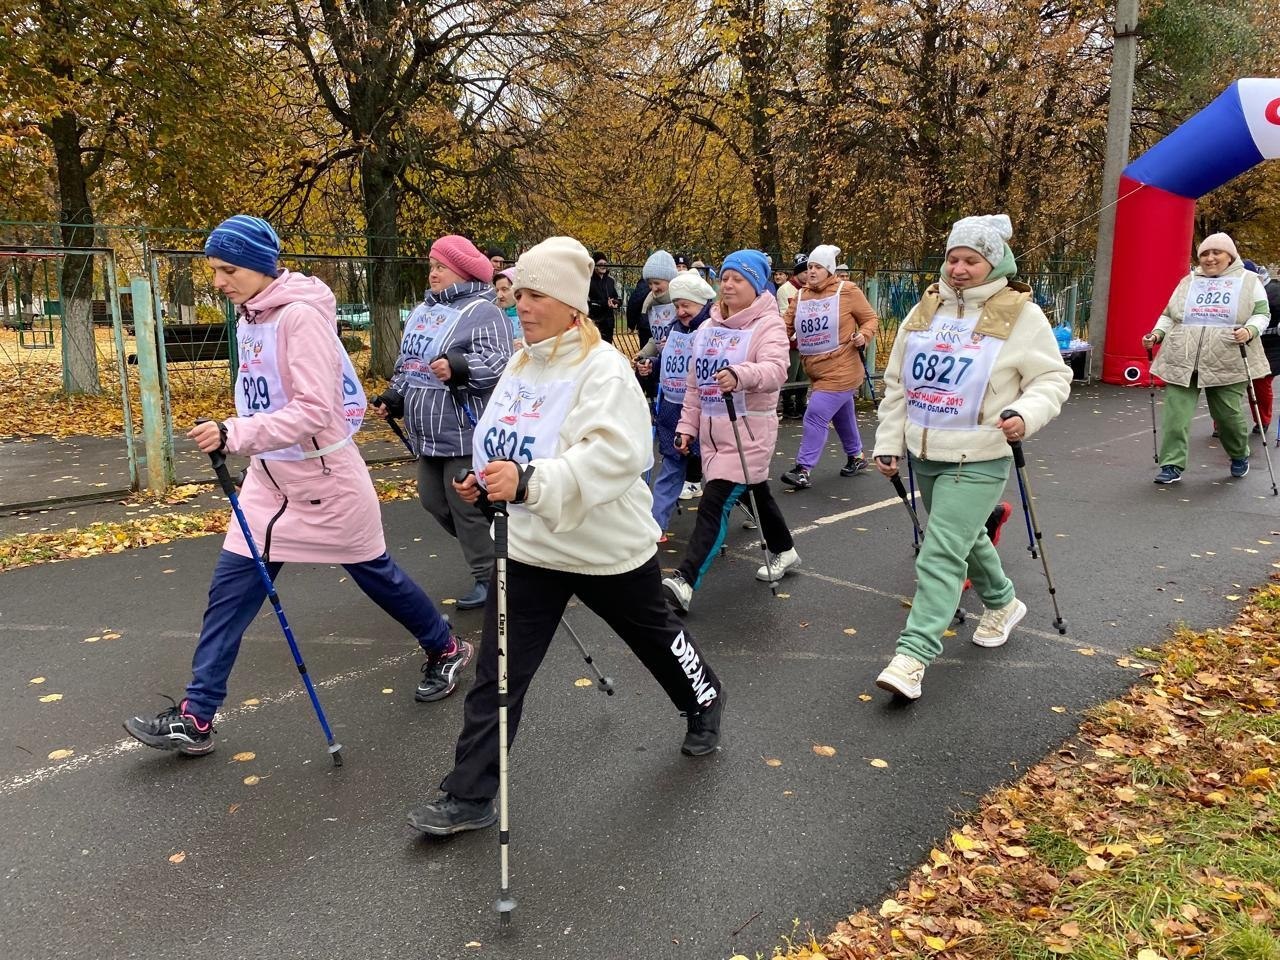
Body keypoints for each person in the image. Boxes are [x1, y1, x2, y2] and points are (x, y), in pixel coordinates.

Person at [407, 236, 726, 836]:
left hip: (605, 547)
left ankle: (703, 700)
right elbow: (503, 437)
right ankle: (469, 795)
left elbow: (616, 456)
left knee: (656, 638)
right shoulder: (523, 364)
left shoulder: (602, 369)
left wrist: (529, 482)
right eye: (518, 292)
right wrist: (487, 478)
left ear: (571, 304)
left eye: (536, 295)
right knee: (498, 675)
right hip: (530, 547)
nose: (521, 305)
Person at [124, 216, 472, 756]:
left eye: (227, 269)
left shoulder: (300, 318)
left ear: (260, 266)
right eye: (214, 269)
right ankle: (196, 717)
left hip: (327, 483)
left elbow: (315, 409)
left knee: (378, 578)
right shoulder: (249, 317)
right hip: (269, 484)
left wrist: (235, 433)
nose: (217, 280)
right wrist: (243, 432)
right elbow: (261, 397)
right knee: (229, 595)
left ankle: (444, 646)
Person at [872, 214, 1071, 700]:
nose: (959, 269)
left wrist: (1025, 412)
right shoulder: (926, 309)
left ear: (994, 262)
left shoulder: (1021, 314)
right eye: (953, 258)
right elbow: (899, 383)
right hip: (926, 451)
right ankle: (1003, 603)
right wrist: (888, 441)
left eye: (972, 260)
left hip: (980, 454)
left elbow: (1052, 378)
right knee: (965, 538)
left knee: (940, 551)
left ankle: (912, 656)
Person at [371, 235, 513, 610]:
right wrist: (393, 397)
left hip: (464, 427)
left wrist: (459, 367)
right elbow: (409, 365)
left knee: (465, 505)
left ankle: (492, 577)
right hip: (426, 429)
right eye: (431, 267)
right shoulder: (423, 311)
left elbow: (499, 362)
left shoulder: (485, 311)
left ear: (462, 271)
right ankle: (503, 552)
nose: (432, 274)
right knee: (433, 500)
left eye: (441, 268)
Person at [661, 249, 799, 615]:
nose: (729, 284)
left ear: (756, 285)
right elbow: (694, 385)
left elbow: (776, 370)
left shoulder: (767, 325)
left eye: (739, 278)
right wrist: (686, 427)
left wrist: (741, 375)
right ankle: (785, 549)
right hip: (710, 434)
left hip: (748, 433)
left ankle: (684, 582)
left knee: (714, 501)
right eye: (725, 277)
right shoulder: (707, 327)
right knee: (756, 492)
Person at [1143, 232, 1269, 484]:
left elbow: (1261, 313)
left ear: (1230, 255)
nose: (1210, 258)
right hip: (1183, 357)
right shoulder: (1189, 280)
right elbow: (1170, 314)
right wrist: (1157, 334)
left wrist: (1250, 330)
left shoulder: (1248, 280)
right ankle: (1171, 464)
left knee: (1226, 417)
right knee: (1175, 416)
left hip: (1228, 357)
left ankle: (1238, 454)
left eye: (1216, 253)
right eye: (1204, 253)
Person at [781, 243, 879, 487]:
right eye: (809, 267)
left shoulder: (847, 290)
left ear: (829, 270)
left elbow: (870, 319)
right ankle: (856, 456)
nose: (812, 271)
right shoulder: (801, 295)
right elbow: (785, 326)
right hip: (815, 369)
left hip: (842, 368)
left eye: (818, 267)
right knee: (843, 413)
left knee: (815, 414)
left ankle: (803, 469)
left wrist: (863, 336)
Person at [636, 270, 715, 534]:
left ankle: (751, 505)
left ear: (701, 304)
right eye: (678, 305)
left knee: (720, 474)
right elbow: (671, 364)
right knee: (670, 470)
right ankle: (654, 527)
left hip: (706, 413)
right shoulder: (674, 328)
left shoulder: (714, 328)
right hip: (672, 411)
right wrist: (652, 365)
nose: (680, 311)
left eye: (686, 305)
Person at [1245, 260, 1279, 435]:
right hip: (1238, 345)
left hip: (1269, 348)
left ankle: (1262, 420)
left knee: (1260, 384)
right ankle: (1221, 424)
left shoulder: (1274, 293)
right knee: (1227, 385)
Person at [777, 254, 810, 420]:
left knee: (804, 374)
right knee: (792, 374)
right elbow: (785, 314)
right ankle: (789, 405)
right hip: (793, 341)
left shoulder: (810, 288)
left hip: (808, 341)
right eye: (804, 271)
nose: (808, 275)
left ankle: (801, 403)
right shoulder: (786, 290)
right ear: (797, 273)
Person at [587, 251, 621, 343]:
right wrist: (605, 304)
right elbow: (588, 303)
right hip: (595, 322)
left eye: (605, 264)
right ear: (595, 266)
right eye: (600, 264)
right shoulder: (589, 281)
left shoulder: (610, 281)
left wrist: (615, 303)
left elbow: (616, 298)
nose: (603, 266)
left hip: (608, 323)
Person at [494, 266, 523, 349]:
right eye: (497, 290)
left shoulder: (532, 316)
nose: (499, 295)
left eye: (504, 289)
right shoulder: (495, 316)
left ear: (518, 289)